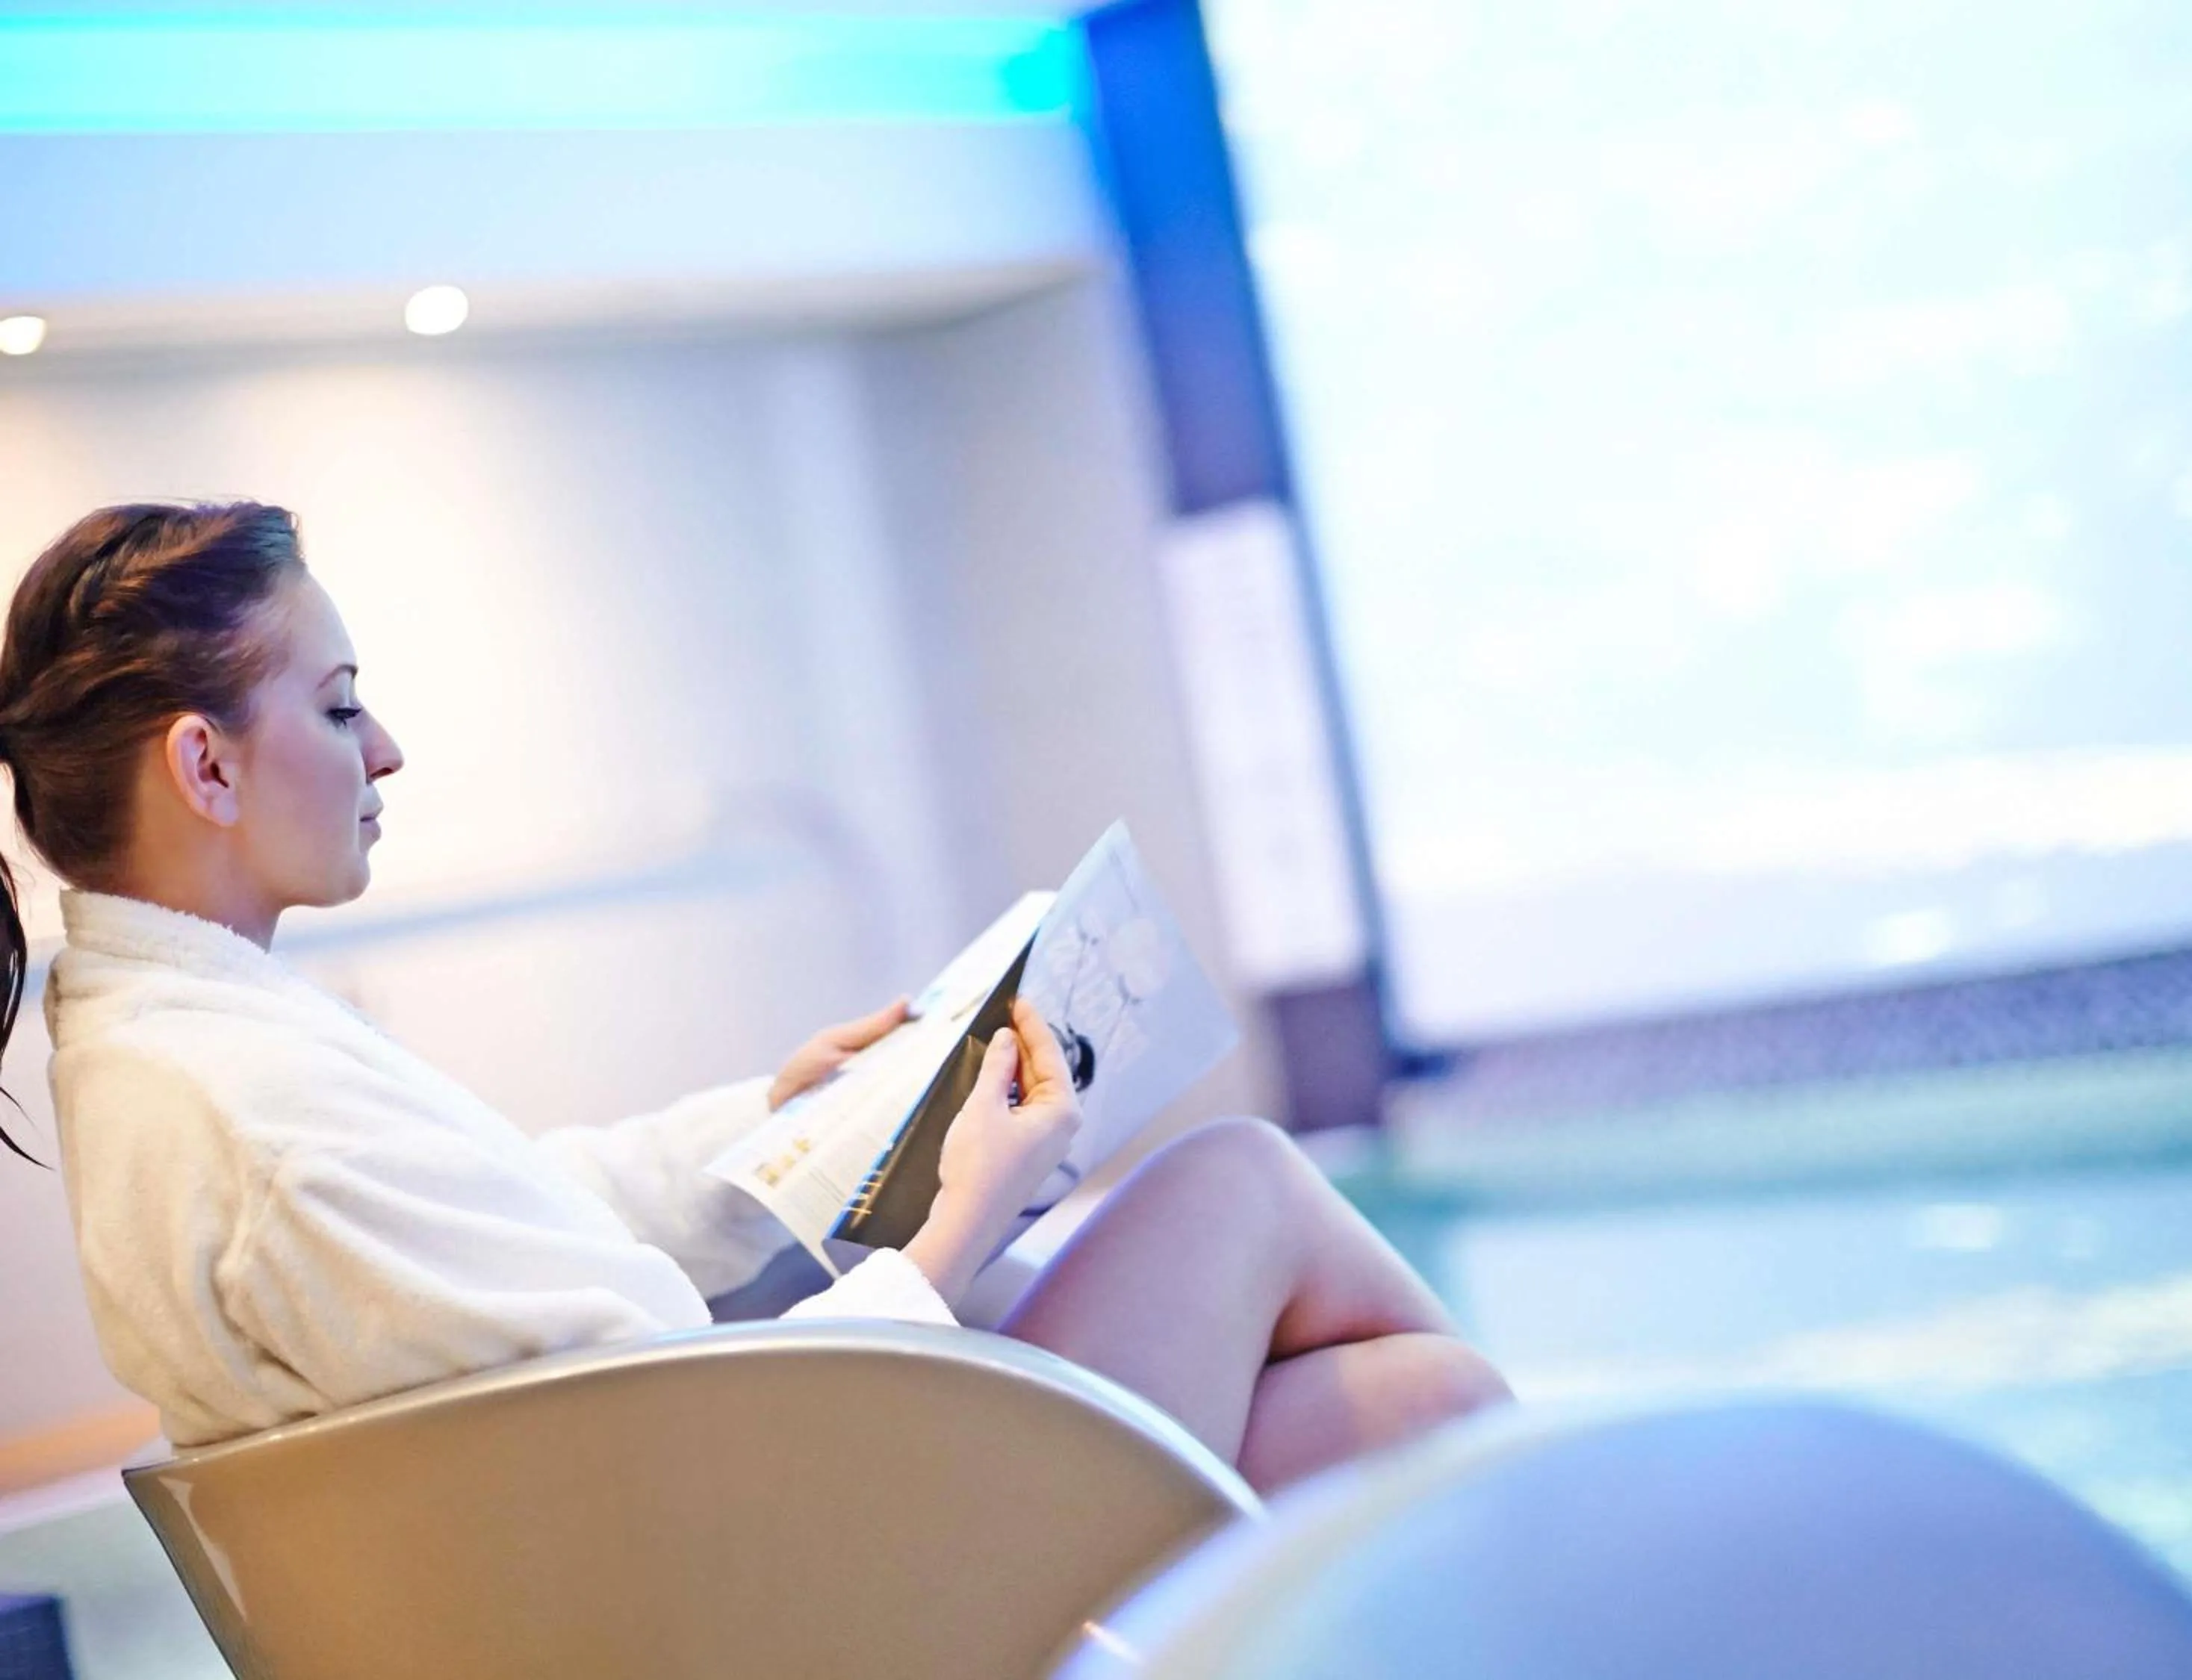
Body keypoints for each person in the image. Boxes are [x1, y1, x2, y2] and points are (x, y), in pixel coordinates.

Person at [0, 500, 1509, 1494]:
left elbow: (523, 1229)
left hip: (717, 1551)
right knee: (1242, 1181)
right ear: (203, 765)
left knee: (1421, 1406)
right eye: (338, 708)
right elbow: (684, 1440)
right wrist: (962, 1216)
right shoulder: (248, 1110)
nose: (384, 749)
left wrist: (779, 1122)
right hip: (806, 1587)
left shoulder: (179, 1054)